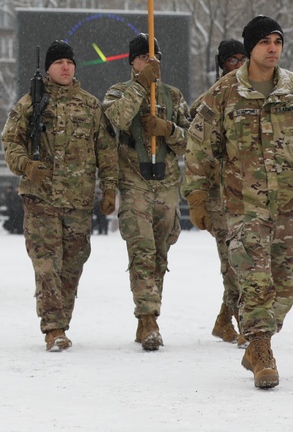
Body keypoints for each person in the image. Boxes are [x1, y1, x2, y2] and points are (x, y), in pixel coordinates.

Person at [183, 16, 293, 388]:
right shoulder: (223, 94)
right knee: (254, 281)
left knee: (283, 283)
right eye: (265, 41)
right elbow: (199, 147)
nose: (273, 48)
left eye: (277, 41)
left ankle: (259, 339)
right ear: (250, 47)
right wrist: (198, 196)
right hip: (243, 207)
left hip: (287, 206)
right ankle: (261, 348)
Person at [2, 40, 118, 352]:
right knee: (46, 264)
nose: (65, 67)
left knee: (73, 263)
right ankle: (53, 327)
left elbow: (106, 151)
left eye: (69, 62)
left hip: (78, 202)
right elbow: (10, 142)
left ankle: (62, 318)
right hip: (41, 199)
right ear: (48, 69)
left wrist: (109, 189)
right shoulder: (29, 104)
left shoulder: (91, 106)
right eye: (59, 63)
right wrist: (26, 165)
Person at [102, 33, 190, 351]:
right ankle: (148, 317)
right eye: (144, 58)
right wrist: (140, 86)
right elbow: (118, 120)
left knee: (159, 254)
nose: (152, 64)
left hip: (166, 183)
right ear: (132, 62)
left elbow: (190, 141)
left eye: (156, 59)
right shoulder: (118, 92)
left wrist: (167, 129)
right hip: (134, 180)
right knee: (141, 251)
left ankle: (148, 315)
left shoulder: (173, 96)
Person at [190, 39, 247, 346]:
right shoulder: (208, 101)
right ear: (221, 65)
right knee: (234, 262)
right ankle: (243, 323)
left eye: (242, 60)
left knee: (250, 260)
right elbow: (191, 142)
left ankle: (225, 319)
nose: (237, 66)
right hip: (220, 196)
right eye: (231, 61)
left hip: (251, 193)